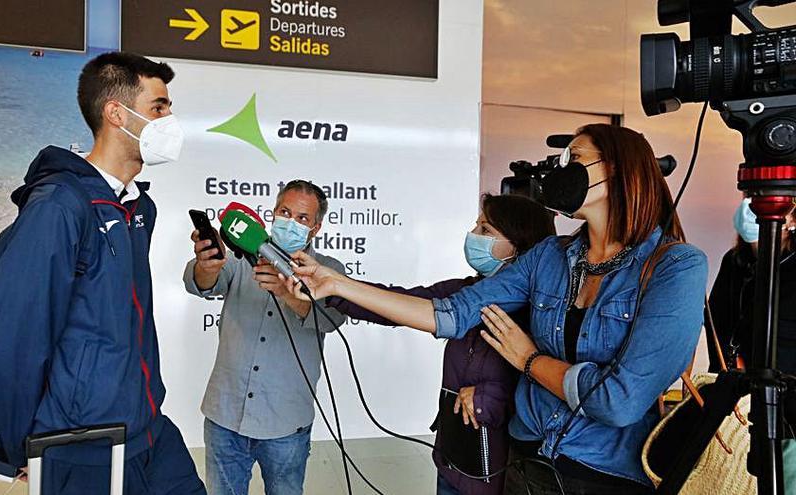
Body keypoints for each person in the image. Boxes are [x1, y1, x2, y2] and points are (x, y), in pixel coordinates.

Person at [283, 124, 708, 494]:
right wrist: (336, 282)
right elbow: (449, 313)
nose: (561, 171)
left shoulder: (677, 267)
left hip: (604, 475)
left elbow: (619, 402)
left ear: (616, 169)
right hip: (528, 463)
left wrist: (528, 359)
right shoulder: (548, 256)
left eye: (575, 158)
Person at [0, 52, 204, 494]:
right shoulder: (59, 206)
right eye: (159, 107)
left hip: (148, 428)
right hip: (80, 446)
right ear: (116, 113)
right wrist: (25, 443)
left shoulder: (139, 208)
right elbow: (14, 336)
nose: (170, 119)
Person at [322, 193, 555, 495]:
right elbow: (399, 302)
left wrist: (491, 397)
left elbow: (545, 385)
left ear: (519, 246)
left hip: (498, 475)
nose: (473, 235)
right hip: (452, 460)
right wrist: (332, 288)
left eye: (486, 230)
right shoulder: (463, 292)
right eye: (476, 226)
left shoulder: (540, 312)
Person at [182, 180, 347, 495]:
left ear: (315, 228)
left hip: (286, 422)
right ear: (273, 213)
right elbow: (201, 284)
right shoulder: (242, 252)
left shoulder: (330, 270)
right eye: (285, 212)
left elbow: (332, 319)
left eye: (302, 218)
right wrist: (207, 266)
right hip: (225, 416)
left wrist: (289, 294)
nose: (291, 222)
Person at [708, 197, 796, 491]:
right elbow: (717, 330)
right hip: (738, 413)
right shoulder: (733, 264)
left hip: (789, 423)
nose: (755, 205)